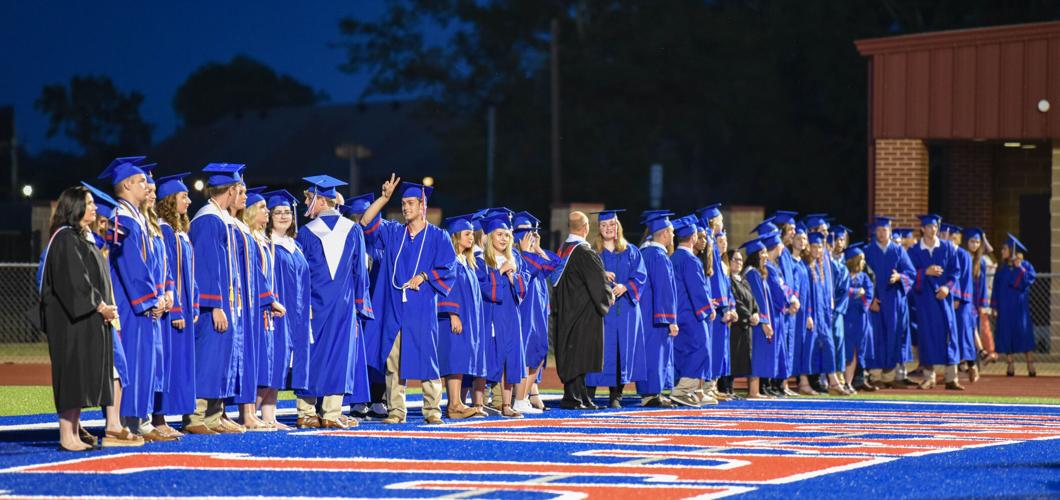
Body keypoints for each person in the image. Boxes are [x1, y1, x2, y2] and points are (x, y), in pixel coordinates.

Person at [359, 175, 456, 425]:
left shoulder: (439, 237)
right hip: (393, 306)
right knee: (393, 362)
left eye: (411, 203)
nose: (405, 207)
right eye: (403, 203)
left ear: (423, 205)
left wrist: (425, 276)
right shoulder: (393, 232)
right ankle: (396, 411)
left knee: (428, 359)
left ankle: (432, 410)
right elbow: (366, 222)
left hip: (422, 307)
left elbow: (448, 269)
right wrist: (384, 198)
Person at [40, 185, 119, 451]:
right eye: (89, 202)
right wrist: (99, 306)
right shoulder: (64, 238)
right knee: (71, 375)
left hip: (85, 320)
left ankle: (74, 433)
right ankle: (66, 435)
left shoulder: (81, 237)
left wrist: (103, 307)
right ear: (75, 207)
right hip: (69, 323)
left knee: (80, 376)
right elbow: (74, 282)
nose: (95, 208)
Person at [99, 158, 171, 442]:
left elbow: (151, 264)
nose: (148, 186)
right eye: (142, 181)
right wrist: (150, 299)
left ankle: (140, 418)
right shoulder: (123, 218)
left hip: (143, 303)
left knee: (146, 360)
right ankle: (128, 420)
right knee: (133, 359)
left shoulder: (138, 218)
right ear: (127, 184)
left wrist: (161, 295)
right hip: (130, 304)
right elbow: (132, 265)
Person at [295, 175, 371, 428]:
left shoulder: (305, 233)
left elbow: (300, 273)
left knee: (312, 353)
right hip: (343, 305)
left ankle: (306, 412)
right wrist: (361, 306)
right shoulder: (353, 230)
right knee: (339, 354)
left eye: (309, 198)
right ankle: (330, 413)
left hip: (312, 305)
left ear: (320, 201)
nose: (306, 202)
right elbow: (361, 272)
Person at [186, 163, 246, 435]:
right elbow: (207, 266)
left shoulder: (220, 218)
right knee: (208, 357)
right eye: (238, 189)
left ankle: (214, 415)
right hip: (213, 306)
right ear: (231, 190)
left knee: (220, 357)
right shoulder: (208, 218)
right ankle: (197, 416)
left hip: (225, 303)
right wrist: (215, 305)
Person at [550, 210, 614, 410]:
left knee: (576, 353)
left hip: (567, 310)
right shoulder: (584, 252)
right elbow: (596, 282)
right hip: (582, 313)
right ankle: (573, 398)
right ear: (586, 228)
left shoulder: (564, 250)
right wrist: (608, 297)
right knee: (579, 354)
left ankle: (582, 397)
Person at [585, 210, 647, 409]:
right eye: (604, 226)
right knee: (597, 349)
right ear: (599, 229)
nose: (608, 229)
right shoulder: (593, 252)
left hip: (625, 311)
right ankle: (589, 394)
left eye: (612, 225)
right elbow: (584, 277)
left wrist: (625, 287)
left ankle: (616, 395)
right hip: (601, 311)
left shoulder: (630, 251)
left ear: (618, 226)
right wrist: (601, 277)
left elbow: (641, 276)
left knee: (622, 351)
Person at [155, 173, 200, 432]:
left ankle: (167, 419)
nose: (189, 201)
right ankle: (159, 419)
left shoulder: (179, 232)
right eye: (184, 197)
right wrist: (176, 310)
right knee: (168, 365)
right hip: (173, 310)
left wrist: (193, 304)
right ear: (171, 200)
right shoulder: (164, 230)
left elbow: (189, 275)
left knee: (180, 365)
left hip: (184, 308)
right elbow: (169, 272)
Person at [477, 210, 531, 418]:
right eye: (499, 234)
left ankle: (506, 405)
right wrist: (499, 273)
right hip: (490, 316)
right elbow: (483, 289)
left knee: (510, 357)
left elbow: (523, 290)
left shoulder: (515, 259)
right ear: (490, 237)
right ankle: (479, 403)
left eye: (507, 235)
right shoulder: (482, 261)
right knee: (488, 358)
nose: (504, 238)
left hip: (510, 315)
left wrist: (513, 278)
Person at [241, 189, 287, 427]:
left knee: (268, 362)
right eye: (262, 208)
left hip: (265, 309)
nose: (266, 212)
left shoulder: (262, 238)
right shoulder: (248, 237)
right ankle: (248, 413)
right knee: (256, 361)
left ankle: (263, 414)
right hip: (255, 309)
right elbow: (254, 275)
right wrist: (269, 299)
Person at [436, 214, 488, 419]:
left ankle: (457, 403)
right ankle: (454, 404)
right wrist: (452, 313)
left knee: (460, 360)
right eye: (467, 234)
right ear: (455, 236)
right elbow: (447, 289)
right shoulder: (449, 261)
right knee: (454, 360)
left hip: (467, 319)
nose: (471, 238)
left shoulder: (466, 262)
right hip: (454, 318)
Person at [264, 190, 307, 429]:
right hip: (275, 310)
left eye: (287, 212)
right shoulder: (267, 242)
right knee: (273, 359)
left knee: (282, 361)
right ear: (270, 216)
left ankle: (270, 415)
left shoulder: (294, 245)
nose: (283, 216)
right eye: (278, 212)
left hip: (295, 312)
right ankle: (256, 412)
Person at [906, 214, 963, 390]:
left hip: (944, 299)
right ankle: (928, 377)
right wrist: (925, 273)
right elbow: (909, 275)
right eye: (930, 227)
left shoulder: (947, 248)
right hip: (924, 301)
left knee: (949, 334)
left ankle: (951, 378)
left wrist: (947, 288)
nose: (934, 229)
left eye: (936, 226)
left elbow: (956, 272)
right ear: (922, 229)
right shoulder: (914, 251)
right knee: (927, 336)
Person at [864, 216, 916, 389]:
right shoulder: (868, 251)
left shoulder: (898, 250)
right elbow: (863, 277)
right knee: (876, 336)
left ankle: (890, 376)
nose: (881, 233)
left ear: (890, 231)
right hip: (876, 301)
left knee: (894, 335)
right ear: (874, 232)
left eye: (884, 230)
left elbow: (911, 273)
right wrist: (870, 300)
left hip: (894, 301)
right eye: (878, 230)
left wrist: (899, 276)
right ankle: (875, 375)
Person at [512, 211, 557, 412]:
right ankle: (519, 399)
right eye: (523, 233)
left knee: (539, 352)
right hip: (525, 311)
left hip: (539, 312)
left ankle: (526, 396)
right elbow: (530, 269)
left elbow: (553, 265)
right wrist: (528, 252)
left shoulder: (534, 256)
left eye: (531, 233)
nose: (528, 237)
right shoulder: (518, 257)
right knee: (526, 353)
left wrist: (537, 249)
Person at [668, 216, 715, 407]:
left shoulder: (673, 257)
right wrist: (708, 309)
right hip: (691, 313)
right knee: (700, 348)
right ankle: (682, 390)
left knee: (683, 351)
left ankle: (685, 389)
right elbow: (697, 289)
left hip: (677, 312)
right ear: (694, 236)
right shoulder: (690, 260)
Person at [634, 211, 678, 407]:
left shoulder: (643, 252)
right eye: (672, 232)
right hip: (656, 315)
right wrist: (669, 319)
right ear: (664, 233)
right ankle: (652, 394)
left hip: (644, 313)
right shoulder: (658, 256)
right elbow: (664, 289)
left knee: (647, 354)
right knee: (655, 354)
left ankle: (648, 393)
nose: (673, 236)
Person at [992, 234, 1037, 377]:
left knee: (1023, 333)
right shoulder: (1001, 269)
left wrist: (1020, 268)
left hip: (1019, 308)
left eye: (1004, 249)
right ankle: (1010, 365)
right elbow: (995, 289)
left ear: (1012, 250)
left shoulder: (1026, 266)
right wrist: (994, 306)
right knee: (1006, 334)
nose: (1002, 251)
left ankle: (1030, 364)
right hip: (1005, 308)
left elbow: (1028, 281)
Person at [739, 237, 776, 400]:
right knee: (757, 354)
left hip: (759, 320)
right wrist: (765, 321)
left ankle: (756, 390)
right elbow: (758, 300)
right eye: (762, 252)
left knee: (759, 354)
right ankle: (753, 391)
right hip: (757, 322)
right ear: (755, 255)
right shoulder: (752, 274)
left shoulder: (756, 273)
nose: (766, 255)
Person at [842, 243, 876, 391]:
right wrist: (855, 292)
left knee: (856, 349)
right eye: (861, 259)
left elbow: (868, 294)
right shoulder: (843, 274)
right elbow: (841, 292)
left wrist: (856, 296)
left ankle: (848, 383)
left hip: (860, 318)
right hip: (845, 316)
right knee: (844, 349)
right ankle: (839, 382)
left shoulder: (863, 277)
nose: (863, 263)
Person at [726, 248, 759, 398]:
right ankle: (725, 387)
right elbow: (736, 302)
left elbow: (752, 300)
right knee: (732, 356)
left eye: (740, 260)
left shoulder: (743, 280)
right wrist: (748, 315)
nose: (739, 263)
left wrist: (755, 313)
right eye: (735, 260)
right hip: (736, 324)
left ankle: (730, 388)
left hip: (745, 325)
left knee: (740, 357)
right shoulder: (729, 280)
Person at [950, 226, 980, 383]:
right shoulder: (946, 252)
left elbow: (965, 280)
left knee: (964, 334)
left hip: (962, 302)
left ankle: (971, 364)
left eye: (953, 235)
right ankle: (954, 371)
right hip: (948, 299)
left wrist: (958, 298)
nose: (950, 237)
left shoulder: (963, 255)